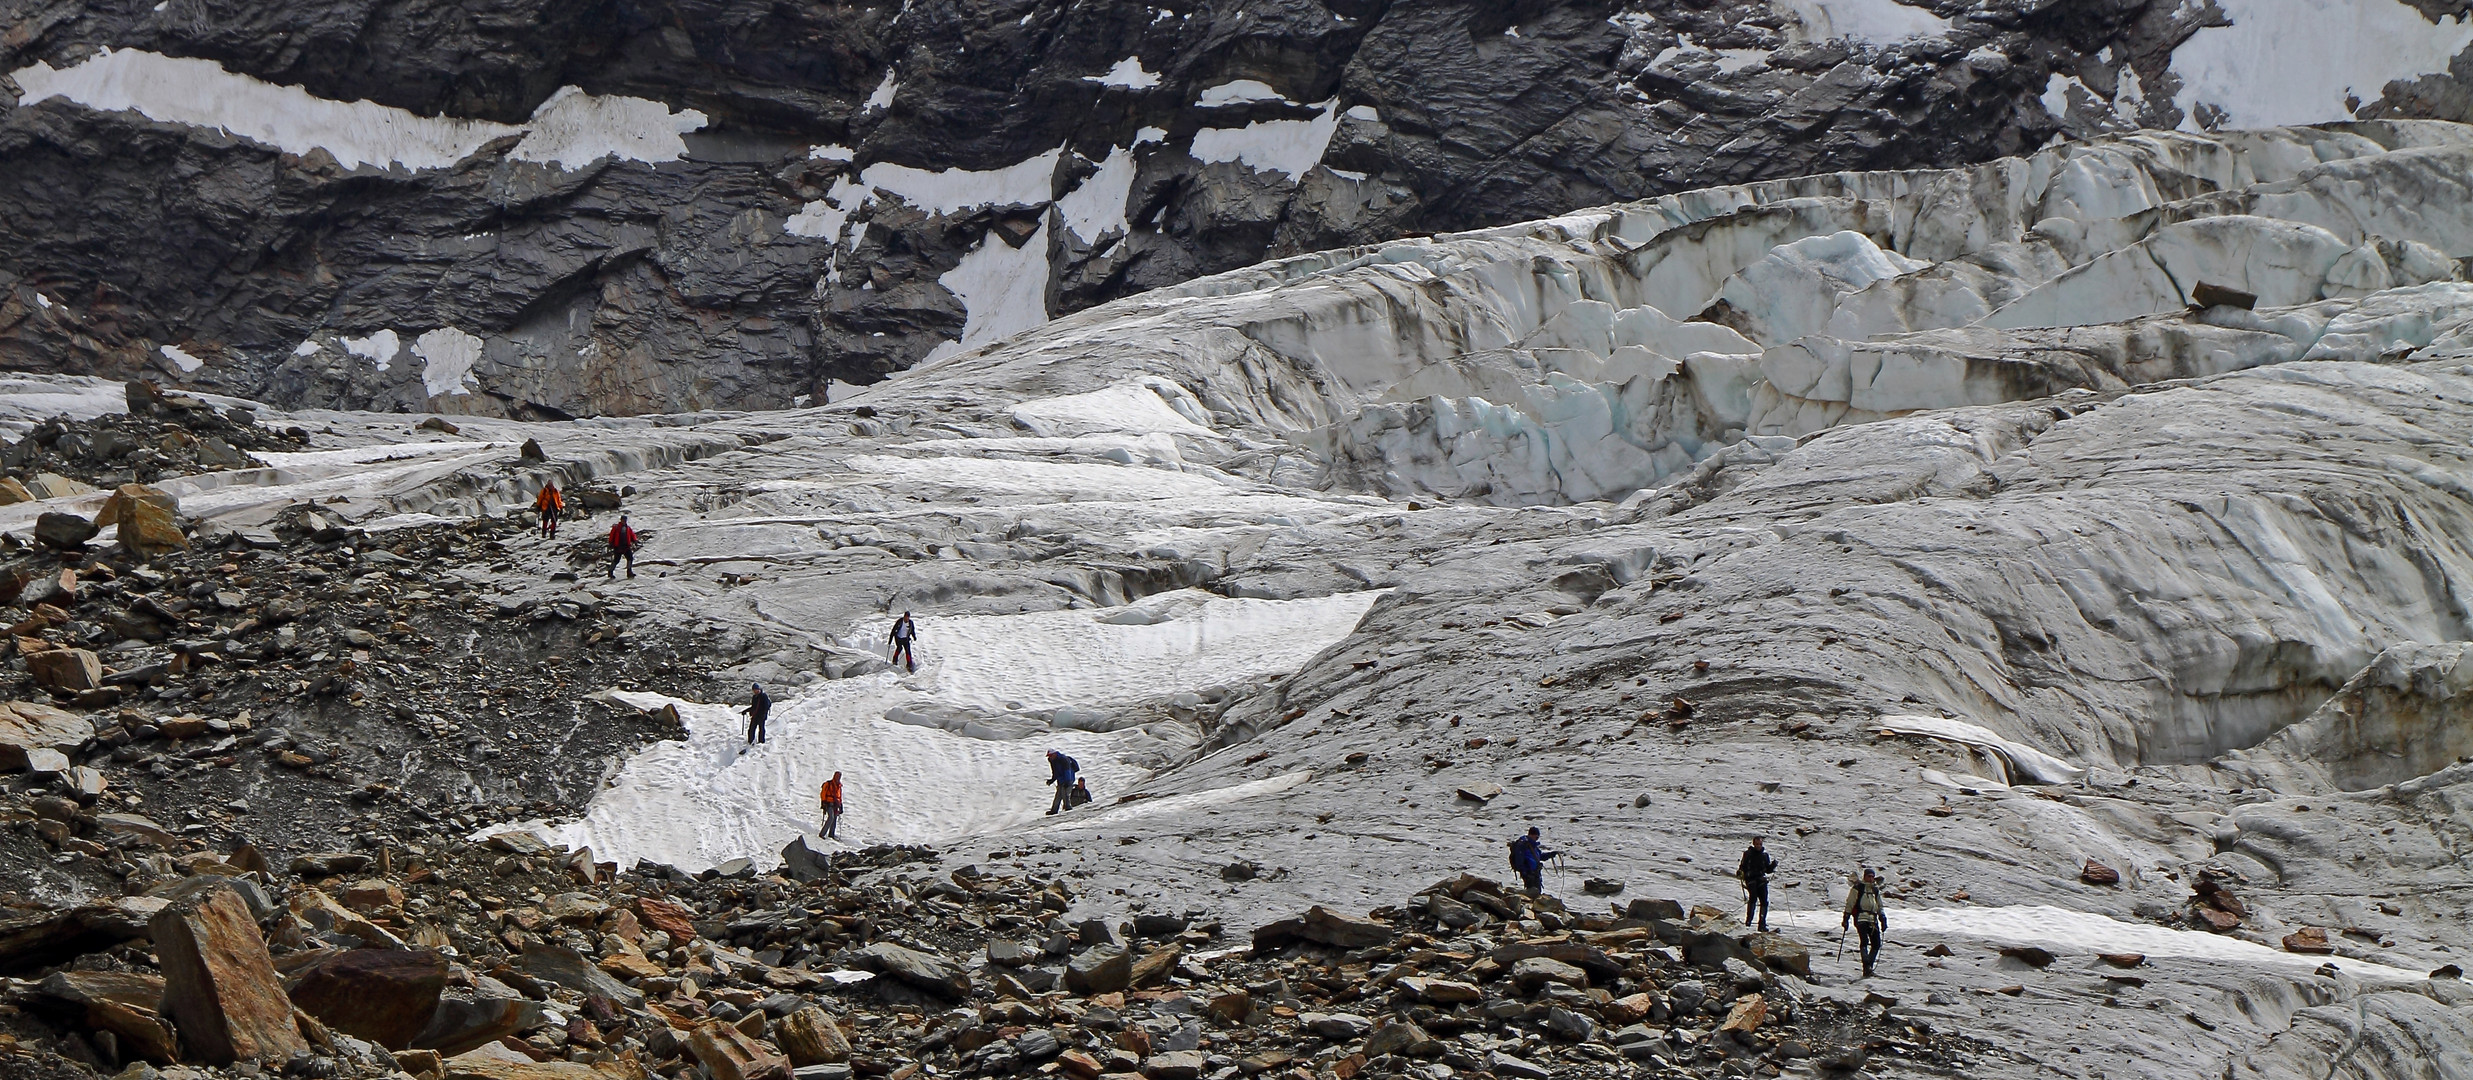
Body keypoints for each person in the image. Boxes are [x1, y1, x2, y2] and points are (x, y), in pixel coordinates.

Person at [1841, 867, 1888, 977]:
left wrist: (1882, 918)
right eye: (1869, 876)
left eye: (1872, 877)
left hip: (1873, 919)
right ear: (1865, 876)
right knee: (1864, 941)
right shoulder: (1858, 888)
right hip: (1861, 918)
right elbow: (1850, 903)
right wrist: (1846, 918)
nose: (1871, 879)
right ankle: (1867, 967)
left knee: (1876, 943)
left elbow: (1880, 905)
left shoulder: (1875, 890)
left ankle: (1868, 966)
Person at [1738, 836, 1778, 932]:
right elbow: (1742, 867)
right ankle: (1748, 922)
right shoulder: (1747, 854)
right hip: (1751, 880)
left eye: (1760, 844)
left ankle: (1762, 924)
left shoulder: (1764, 856)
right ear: (1753, 844)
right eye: (1757, 844)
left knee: (1764, 902)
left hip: (1761, 880)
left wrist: (1773, 865)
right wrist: (1740, 873)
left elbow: (1767, 870)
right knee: (1753, 899)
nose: (1758, 846)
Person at [1508, 826, 1555, 897]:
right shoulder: (1522, 845)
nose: (1537, 839)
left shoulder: (1533, 846)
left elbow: (1540, 857)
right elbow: (1519, 861)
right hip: (1529, 874)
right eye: (1536, 837)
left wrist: (1551, 854)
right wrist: (1524, 872)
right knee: (1533, 892)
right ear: (1531, 835)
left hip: (1535, 873)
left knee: (1536, 891)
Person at [1045, 750, 1079, 815]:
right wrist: (1051, 780)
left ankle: (1068, 808)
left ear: (1054, 754)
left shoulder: (1063, 759)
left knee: (1065, 794)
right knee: (1058, 795)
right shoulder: (1053, 761)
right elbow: (1055, 773)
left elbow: (1067, 771)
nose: (1049, 757)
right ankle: (1054, 810)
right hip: (1061, 780)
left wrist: (1068, 781)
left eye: (1050, 756)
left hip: (1068, 779)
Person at [607, 515, 639, 579]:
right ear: (621, 520)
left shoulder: (628, 528)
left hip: (626, 546)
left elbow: (632, 534)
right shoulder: (616, 528)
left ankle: (629, 572)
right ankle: (610, 572)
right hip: (618, 547)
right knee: (616, 560)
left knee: (630, 558)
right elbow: (611, 536)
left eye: (625, 520)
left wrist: (635, 540)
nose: (624, 521)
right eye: (623, 520)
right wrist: (610, 543)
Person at [819, 771, 844, 839]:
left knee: (834, 818)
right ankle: (822, 834)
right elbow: (823, 794)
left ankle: (831, 834)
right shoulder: (828, 784)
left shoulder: (839, 786)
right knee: (831, 817)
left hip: (835, 805)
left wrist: (840, 805)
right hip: (828, 804)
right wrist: (823, 803)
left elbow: (839, 796)